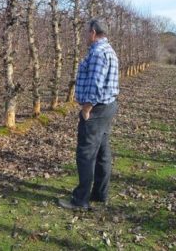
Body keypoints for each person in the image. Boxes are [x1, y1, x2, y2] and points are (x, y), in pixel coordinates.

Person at [59, 18, 119, 210]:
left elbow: (95, 84)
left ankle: (80, 200)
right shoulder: (108, 51)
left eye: (87, 31)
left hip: (96, 109)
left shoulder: (98, 53)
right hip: (107, 107)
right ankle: (100, 194)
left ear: (93, 32)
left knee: (85, 153)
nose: (86, 35)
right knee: (102, 151)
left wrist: (86, 108)